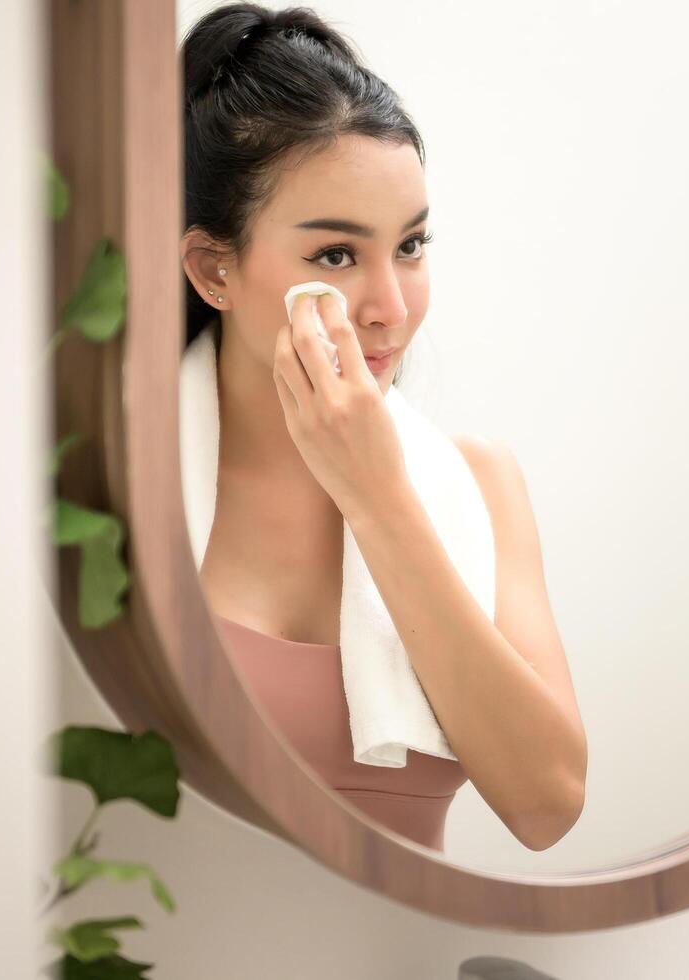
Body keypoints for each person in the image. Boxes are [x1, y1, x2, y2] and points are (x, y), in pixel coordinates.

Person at [177, 3, 586, 853]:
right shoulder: (122, 472)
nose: (390, 309)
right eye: (335, 256)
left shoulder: (477, 483)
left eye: (410, 246)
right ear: (216, 266)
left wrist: (377, 497)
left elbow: (546, 804)